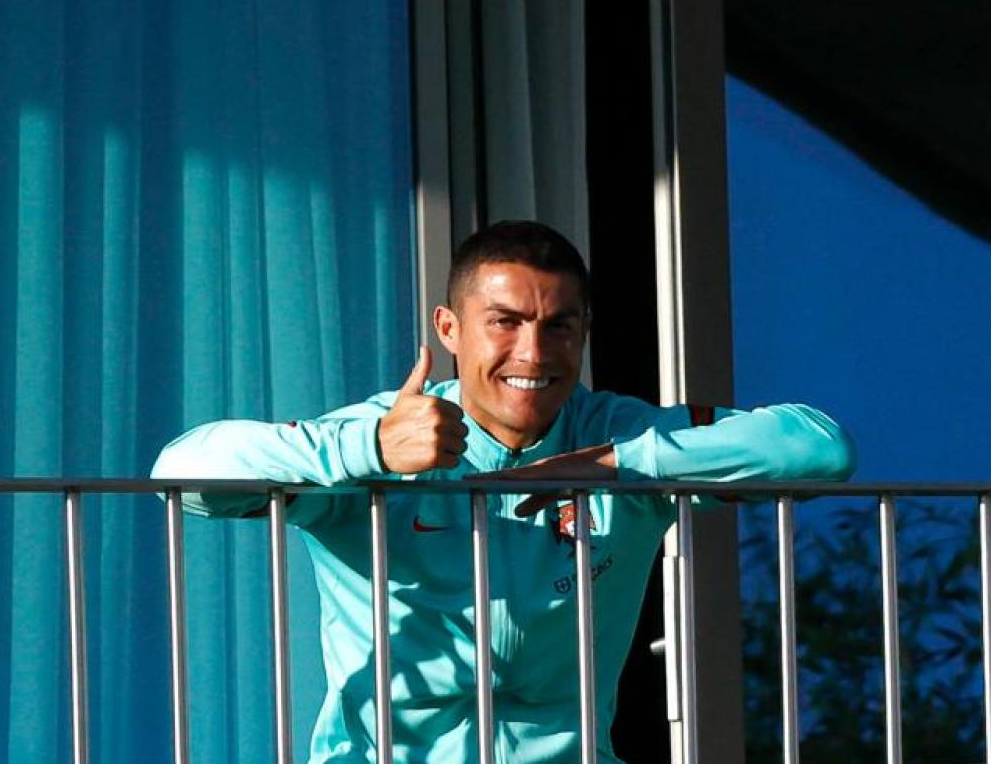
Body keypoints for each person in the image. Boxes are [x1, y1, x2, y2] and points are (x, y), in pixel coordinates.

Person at [152, 220, 855, 763]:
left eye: (559, 326)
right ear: (449, 329)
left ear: (584, 333)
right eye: (505, 322)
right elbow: (180, 475)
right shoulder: (386, 433)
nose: (533, 353)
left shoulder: (618, 434)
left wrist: (619, 463)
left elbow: (820, 449)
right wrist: (366, 450)